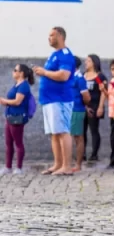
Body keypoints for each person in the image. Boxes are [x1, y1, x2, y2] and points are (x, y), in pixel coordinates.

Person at [34, 26, 76, 176]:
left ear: (60, 36)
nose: (49, 38)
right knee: (54, 133)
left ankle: (67, 166)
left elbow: (64, 75)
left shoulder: (65, 55)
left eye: (52, 35)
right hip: (49, 100)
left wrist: (44, 72)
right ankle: (58, 164)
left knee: (63, 131)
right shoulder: (54, 55)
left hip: (60, 99)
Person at [1, 64, 35, 175]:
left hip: (17, 117)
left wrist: (4, 101)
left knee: (18, 143)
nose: (13, 72)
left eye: (15, 70)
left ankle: (19, 167)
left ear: (21, 73)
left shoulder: (24, 86)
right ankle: (8, 167)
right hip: (10, 116)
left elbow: (17, 101)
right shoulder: (17, 85)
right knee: (8, 143)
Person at [82, 55, 107, 163]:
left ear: (94, 62)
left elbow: (103, 92)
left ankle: (94, 154)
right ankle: (82, 153)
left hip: (95, 105)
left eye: (88, 61)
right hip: (83, 106)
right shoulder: (83, 75)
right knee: (82, 131)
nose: (86, 63)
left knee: (94, 130)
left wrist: (101, 106)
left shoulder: (100, 76)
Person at [70, 57, 91, 172]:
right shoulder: (69, 77)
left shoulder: (79, 78)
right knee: (71, 136)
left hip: (77, 109)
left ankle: (78, 164)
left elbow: (86, 97)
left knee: (78, 137)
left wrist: (84, 105)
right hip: (68, 110)